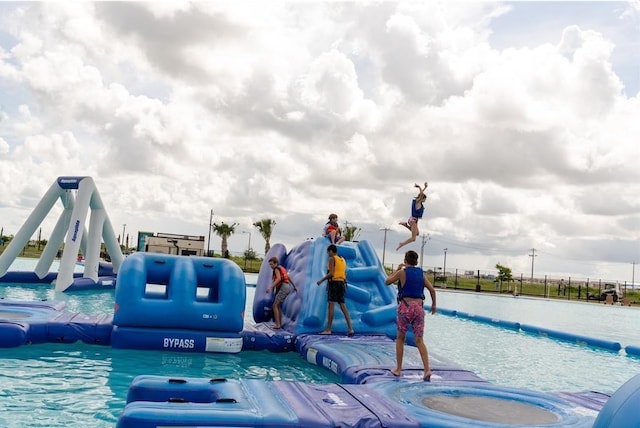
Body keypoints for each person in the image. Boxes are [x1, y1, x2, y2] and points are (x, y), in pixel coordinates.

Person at [384, 250, 436, 381]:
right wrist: (434, 304)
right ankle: (427, 370)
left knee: (400, 338)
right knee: (419, 340)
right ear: (416, 262)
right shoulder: (421, 274)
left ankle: (398, 369)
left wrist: (397, 269)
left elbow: (387, 281)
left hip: (405, 307)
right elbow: (432, 290)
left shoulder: (402, 272)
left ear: (405, 260)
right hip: (418, 308)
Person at [316, 244, 354, 336]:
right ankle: (350, 328)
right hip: (342, 283)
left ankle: (328, 329)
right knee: (343, 306)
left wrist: (321, 280)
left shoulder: (332, 259)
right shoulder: (342, 259)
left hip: (334, 284)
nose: (327, 254)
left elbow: (332, 273)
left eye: (328, 252)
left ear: (331, 251)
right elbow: (344, 273)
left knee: (331, 306)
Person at [265, 257, 297, 329]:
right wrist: (294, 286)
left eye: (272, 264)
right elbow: (288, 277)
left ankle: (278, 324)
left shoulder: (276, 269)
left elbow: (278, 279)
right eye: (270, 265)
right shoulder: (281, 268)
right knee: (277, 305)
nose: (271, 266)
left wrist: (270, 287)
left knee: (275, 306)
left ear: (276, 263)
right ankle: (279, 323)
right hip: (286, 287)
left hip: (283, 287)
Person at [397, 182, 428, 251]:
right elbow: (421, 195)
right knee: (413, 238)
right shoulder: (417, 203)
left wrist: (425, 188)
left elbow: (421, 194)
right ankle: (401, 244)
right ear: (422, 198)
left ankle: (405, 225)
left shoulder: (419, 203)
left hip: (414, 220)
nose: (425, 200)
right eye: (425, 199)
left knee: (417, 233)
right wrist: (420, 187)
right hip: (413, 220)